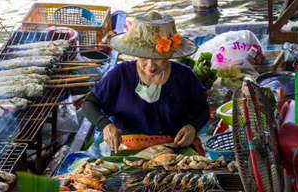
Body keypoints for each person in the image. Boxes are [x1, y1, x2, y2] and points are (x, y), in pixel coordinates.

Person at [82, 11, 209, 154]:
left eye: (158, 57)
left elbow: (203, 110)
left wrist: (193, 127)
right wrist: (105, 125)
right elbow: (89, 104)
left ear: (169, 52)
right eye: (144, 57)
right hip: (128, 151)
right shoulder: (120, 74)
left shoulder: (185, 76)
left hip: (175, 148)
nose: (151, 65)